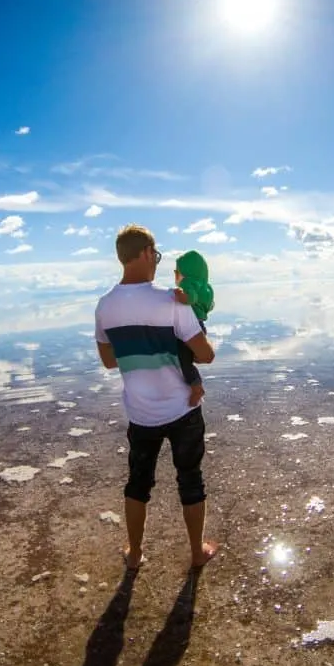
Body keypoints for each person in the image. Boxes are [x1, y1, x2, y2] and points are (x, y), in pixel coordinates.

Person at [94, 224, 218, 570]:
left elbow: (108, 361)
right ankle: (196, 553)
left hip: (141, 414)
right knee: (190, 479)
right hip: (184, 409)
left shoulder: (104, 307)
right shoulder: (170, 301)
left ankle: (134, 554)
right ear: (148, 253)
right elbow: (205, 355)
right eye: (157, 255)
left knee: (138, 483)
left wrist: (137, 343)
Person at [172, 249, 214, 407]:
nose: (175, 275)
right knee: (190, 358)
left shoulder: (187, 283)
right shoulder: (206, 287)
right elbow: (207, 306)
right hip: (200, 327)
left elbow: (191, 297)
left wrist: (180, 296)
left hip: (190, 326)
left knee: (184, 361)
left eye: (177, 272)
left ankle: (196, 387)